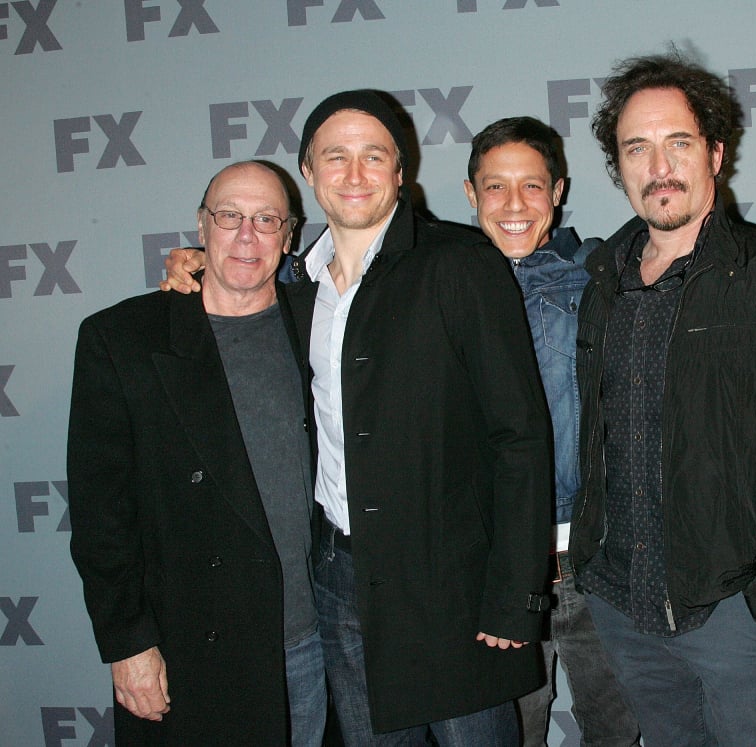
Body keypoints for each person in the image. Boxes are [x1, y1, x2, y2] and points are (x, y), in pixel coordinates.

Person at [164, 90, 553, 745]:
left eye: (374, 156)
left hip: (451, 586)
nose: (354, 173)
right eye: (334, 156)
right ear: (309, 174)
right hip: (342, 582)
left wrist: (513, 596)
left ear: (401, 173)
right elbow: (232, 283)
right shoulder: (296, 288)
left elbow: (520, 437)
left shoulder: (458, 263)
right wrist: (192, 264)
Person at [568, 53, 756, 746]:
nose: (658, 164)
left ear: (716, 153)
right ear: (619, 166)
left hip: (737, 617)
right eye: (637, 147)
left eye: (679, 142)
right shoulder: (601, 278)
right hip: (623, 606)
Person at [68, 161, 325, 745]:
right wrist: (127, 643)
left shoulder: (319, 322)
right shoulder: (124, 339)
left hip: (310, 647)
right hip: (190, 650)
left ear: (290, 237)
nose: (246, 236)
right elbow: (100, 515)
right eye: (229, 217)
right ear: (200, 227)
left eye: (266, 220)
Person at [462, 116, 640, 747]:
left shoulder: (604, 276)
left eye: (531, 187)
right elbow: (332, 279)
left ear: (558, 190)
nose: (514, 206)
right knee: (509, 734)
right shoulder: (443, 283)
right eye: (495, 187)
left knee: (616, 733)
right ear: (470, 193)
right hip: (494, 570)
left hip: (598, 563)